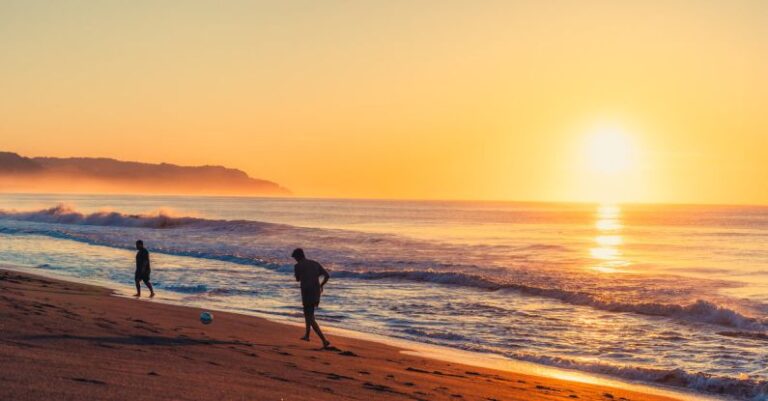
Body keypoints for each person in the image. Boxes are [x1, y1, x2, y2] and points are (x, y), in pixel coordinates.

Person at [292, 248, 331, 348]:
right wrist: (321, 285)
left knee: (309, 317)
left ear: (297, 257)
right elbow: (327, 276)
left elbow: (297, 279)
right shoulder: (315, 263)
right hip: (316, 292)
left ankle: (324, 340)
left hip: (306, 292)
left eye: (295, 258)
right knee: (309, 314)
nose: (295, 260)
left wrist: (299, 273)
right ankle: (307, 335)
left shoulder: (297, 266)